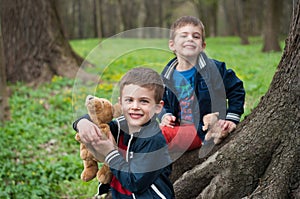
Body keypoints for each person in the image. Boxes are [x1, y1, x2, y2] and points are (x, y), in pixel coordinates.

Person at [73, 67, 175, 198]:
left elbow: (134, 183)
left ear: (157, 107)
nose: (135, 107)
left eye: (143, 101)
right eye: (129, 100)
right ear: (120, 103)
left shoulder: (153, 140)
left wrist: (110, 153)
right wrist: (81, 123)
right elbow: (98, 123)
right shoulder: (121, 125)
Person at [159, 16, 245, 152]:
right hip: (177, 128)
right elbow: (161, 102)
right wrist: (166, 115)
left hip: (203, 131)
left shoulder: (214, 69)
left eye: (196, 36)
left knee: (155, 138)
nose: (190, 39)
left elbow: (236, 89)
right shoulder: (167, 76)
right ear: (172, 45)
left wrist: (232, 118)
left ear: (202, 46)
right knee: (142, 132)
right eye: (184, 35)